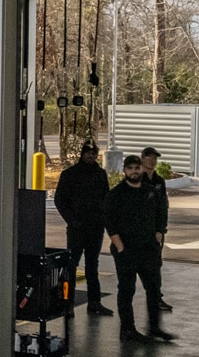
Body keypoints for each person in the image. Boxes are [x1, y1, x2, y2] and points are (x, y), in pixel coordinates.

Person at [104, 155, 175, 344]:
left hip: (148, 249)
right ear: (124, 171)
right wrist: (120, 247)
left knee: (153, 289)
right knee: (127, 290)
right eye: (130, 168)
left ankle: (154, 328)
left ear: (141, 169)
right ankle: (127, 330)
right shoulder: (116, 194)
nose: (134, 172)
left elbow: (160, 214)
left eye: (137, 168)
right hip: (127, 251)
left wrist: (159, 235)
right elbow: (110, 223)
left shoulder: (150, 191)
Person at [52, 142, 112, 317]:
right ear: (82, 154)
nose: (91, 156)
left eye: (94, 153)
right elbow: (59, 200)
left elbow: (106, 198)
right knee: (71, 266)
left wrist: (103, 219)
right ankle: (67, 303)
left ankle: (94, 302)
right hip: (77, 229)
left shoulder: (100, 174)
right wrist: (71, 220)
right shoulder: (70, 174)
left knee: (92, 266)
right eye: (88, 153)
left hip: (95, 228)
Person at [138, 146, 173, 312]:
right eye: (149, 158)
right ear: (142, 159)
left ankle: (156, 297)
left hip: (156, 231)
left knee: (155, 265)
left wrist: (161, 229)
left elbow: (163, 207)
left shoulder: (159, 181)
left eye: (154, 158)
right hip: (139, 231)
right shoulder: (137, 179)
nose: (152, 161)